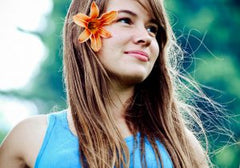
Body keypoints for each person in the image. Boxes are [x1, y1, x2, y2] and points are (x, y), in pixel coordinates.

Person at [0, 0, 211, 167]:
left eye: (152, 29)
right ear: (82, 33)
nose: (146, 37)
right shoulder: (29, 139)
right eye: (126, 20)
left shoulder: (183, 148)